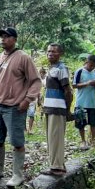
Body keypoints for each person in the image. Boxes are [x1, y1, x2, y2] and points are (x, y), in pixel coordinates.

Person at [0, 27, 42, 187]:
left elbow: (36, 81)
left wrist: (27, 100)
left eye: (7, 36)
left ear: (15, 39)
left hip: (14, 107)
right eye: (1, 37)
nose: (3, 39)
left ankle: (18, 175)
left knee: (17, 141)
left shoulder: (23, 58)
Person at [41, 44, 73, 176]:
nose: (50, 53)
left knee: (55, 138)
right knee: (52, 137)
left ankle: (57, 167)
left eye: (53, 51)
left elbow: (68, 91)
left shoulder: (61, 68)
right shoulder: (52, 68)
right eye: (48, 51)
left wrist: (68, 110)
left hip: (58, 108)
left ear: (60, 54)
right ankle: (58, 164)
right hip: (50, 108)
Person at [73, 54, 95, 150]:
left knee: (93, 123)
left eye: (93, 65)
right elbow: (74, 85)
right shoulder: (80, 71)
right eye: (90, 65)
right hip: (81, 102)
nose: (91, 67)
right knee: (81, 122)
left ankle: (93, 141)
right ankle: (83, 141)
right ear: (87, 62)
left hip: (92, 102)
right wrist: (88, 83)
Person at [26, 67, 46, 134]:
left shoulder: (37, 80)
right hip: (24, 98)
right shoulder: (25, 78)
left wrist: (39, 100)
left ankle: (30, 129)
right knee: (24, 114)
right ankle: (25, 129)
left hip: (32, 99)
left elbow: (38, 90)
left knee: (31, 114)